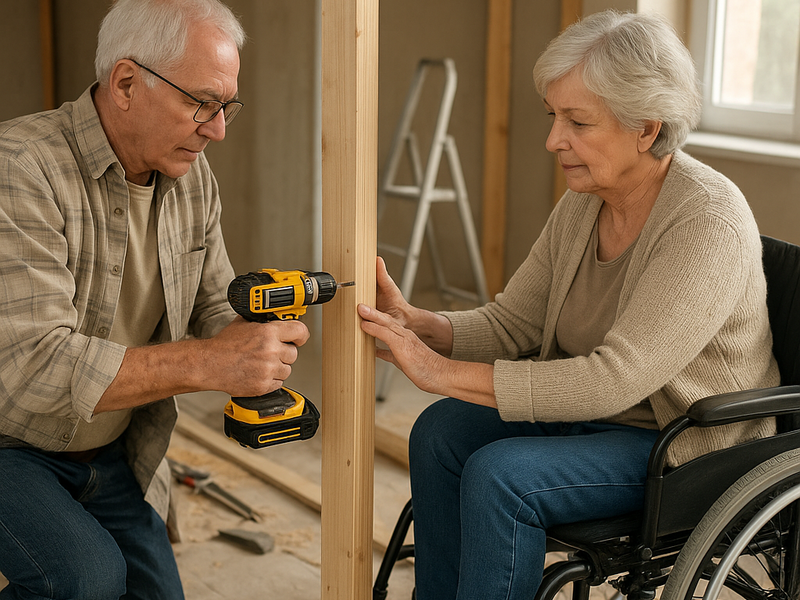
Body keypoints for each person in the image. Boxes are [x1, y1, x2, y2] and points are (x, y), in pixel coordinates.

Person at [358, 9, 779, 600]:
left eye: (577, 122)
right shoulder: (588, 200)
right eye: (554, 116)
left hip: (682, 444)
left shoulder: (707, 221)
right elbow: (514, 323)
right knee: (440, 433)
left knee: (502, 477)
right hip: (600, 418)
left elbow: (613, 380)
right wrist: (423, 327)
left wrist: (440, 373)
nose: (554, 140)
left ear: (646, 128)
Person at [0, 1, 309, 598]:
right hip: (10, 443)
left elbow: (215, 305)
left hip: (107, 449)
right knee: (86, 580)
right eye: (202, 102)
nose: (217, 129)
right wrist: (209, 362)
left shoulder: (192, 178)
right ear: (125, 83)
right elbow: (37, 366)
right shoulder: (21, 168)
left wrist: (260, 333)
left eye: (227, 107)